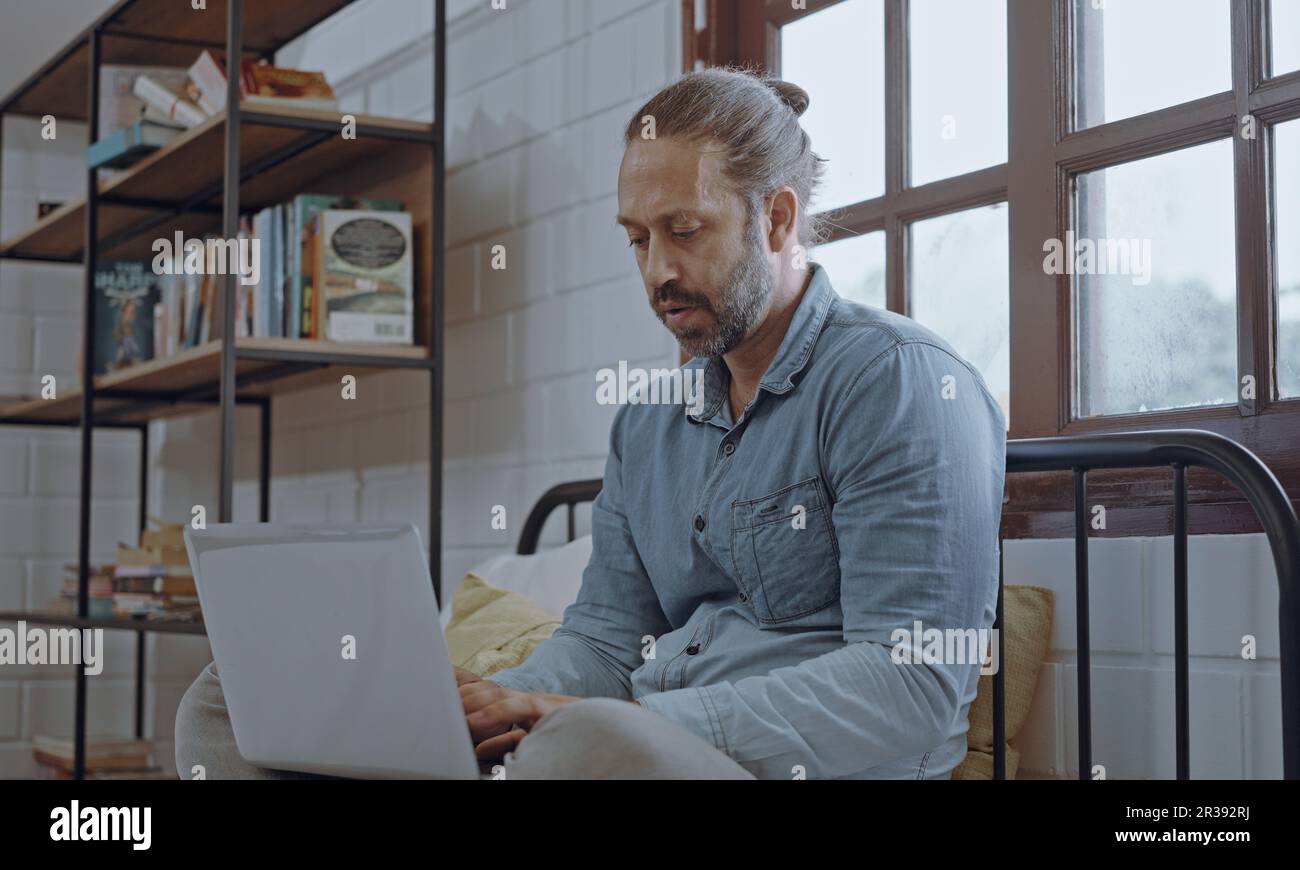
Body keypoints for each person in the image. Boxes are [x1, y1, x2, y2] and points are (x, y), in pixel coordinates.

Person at [175, 67, 1006, 780]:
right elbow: (605, 644)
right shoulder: (648, 426)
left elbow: (914, 687)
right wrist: (503, 706)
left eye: (685, 231)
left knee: (584, 743)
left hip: (775, 763)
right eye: (637, 239)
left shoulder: (899, 385)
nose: (657, 272)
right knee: (227, 699)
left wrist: (626, 720)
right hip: (622, 745)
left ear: (777, 219)